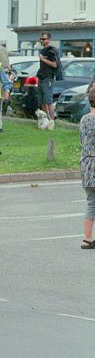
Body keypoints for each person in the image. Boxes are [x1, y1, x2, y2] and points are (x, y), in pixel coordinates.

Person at [80, 86, 95, 250]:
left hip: (86, 164)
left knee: (91, 202)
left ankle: (87, 238)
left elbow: (82, 141)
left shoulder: (84, 119)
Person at [36, 32, 59, 127]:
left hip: (48, 78)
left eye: (44, 39)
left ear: (49, 39)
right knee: (42, 101)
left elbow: (55, 64)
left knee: (49, 101)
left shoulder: (51, 51)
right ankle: (44, 121)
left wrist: (43, 59)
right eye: (41, 39)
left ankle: (52, 121)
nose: (42, 41)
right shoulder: (43, 50)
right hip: (41, 77)